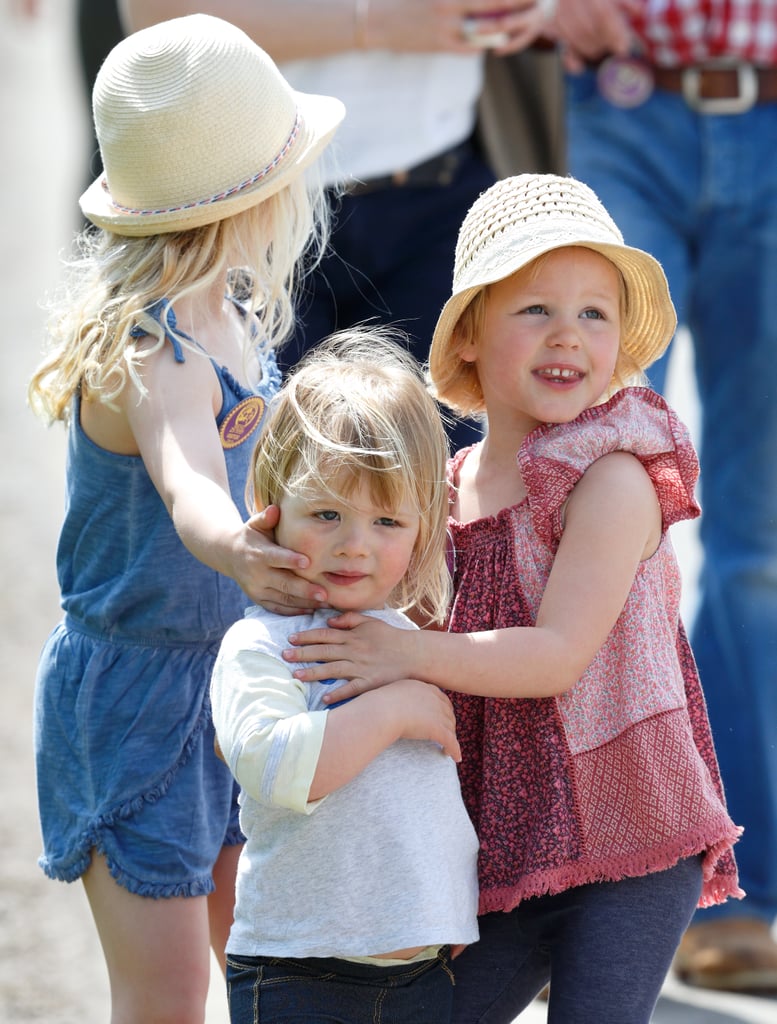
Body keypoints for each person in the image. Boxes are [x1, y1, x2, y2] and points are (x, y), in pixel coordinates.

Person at [276, 174, 744, 1022]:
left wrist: (407, 653)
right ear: (469, 339)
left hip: (628, 830)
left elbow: (557, 654)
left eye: (593, 314)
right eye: (534, 310)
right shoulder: (440, 495)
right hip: (501, 839)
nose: (567, 335)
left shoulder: (611, 477)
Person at [27, 15, 343, 1022]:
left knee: (267, 962)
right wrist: (234, 549)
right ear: (260, 194)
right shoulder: (148, 347)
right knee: (164, 995)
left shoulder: (233, 316)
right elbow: (187, 477)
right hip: (135, 700)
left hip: (234, 681)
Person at [553, 0, 777, 993]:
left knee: (761, 545)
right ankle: (563, 883)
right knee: (589, 495)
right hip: (619, 100)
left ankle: (745, 889)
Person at [120, 0, 564, 451]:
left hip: (441, 194)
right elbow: (157, 17)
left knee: (433, 478)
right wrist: (376, 24)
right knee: (266, 477)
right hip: (259, 207)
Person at [210, 329, 479, 1024]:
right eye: (325, 513)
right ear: (271, 507)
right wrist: (394, 712)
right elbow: (277, 769)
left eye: (386, 520)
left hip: (419, 972)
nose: (354, 543)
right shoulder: (262, 645)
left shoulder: (410, 643)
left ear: (424, 528)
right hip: (302, 970)